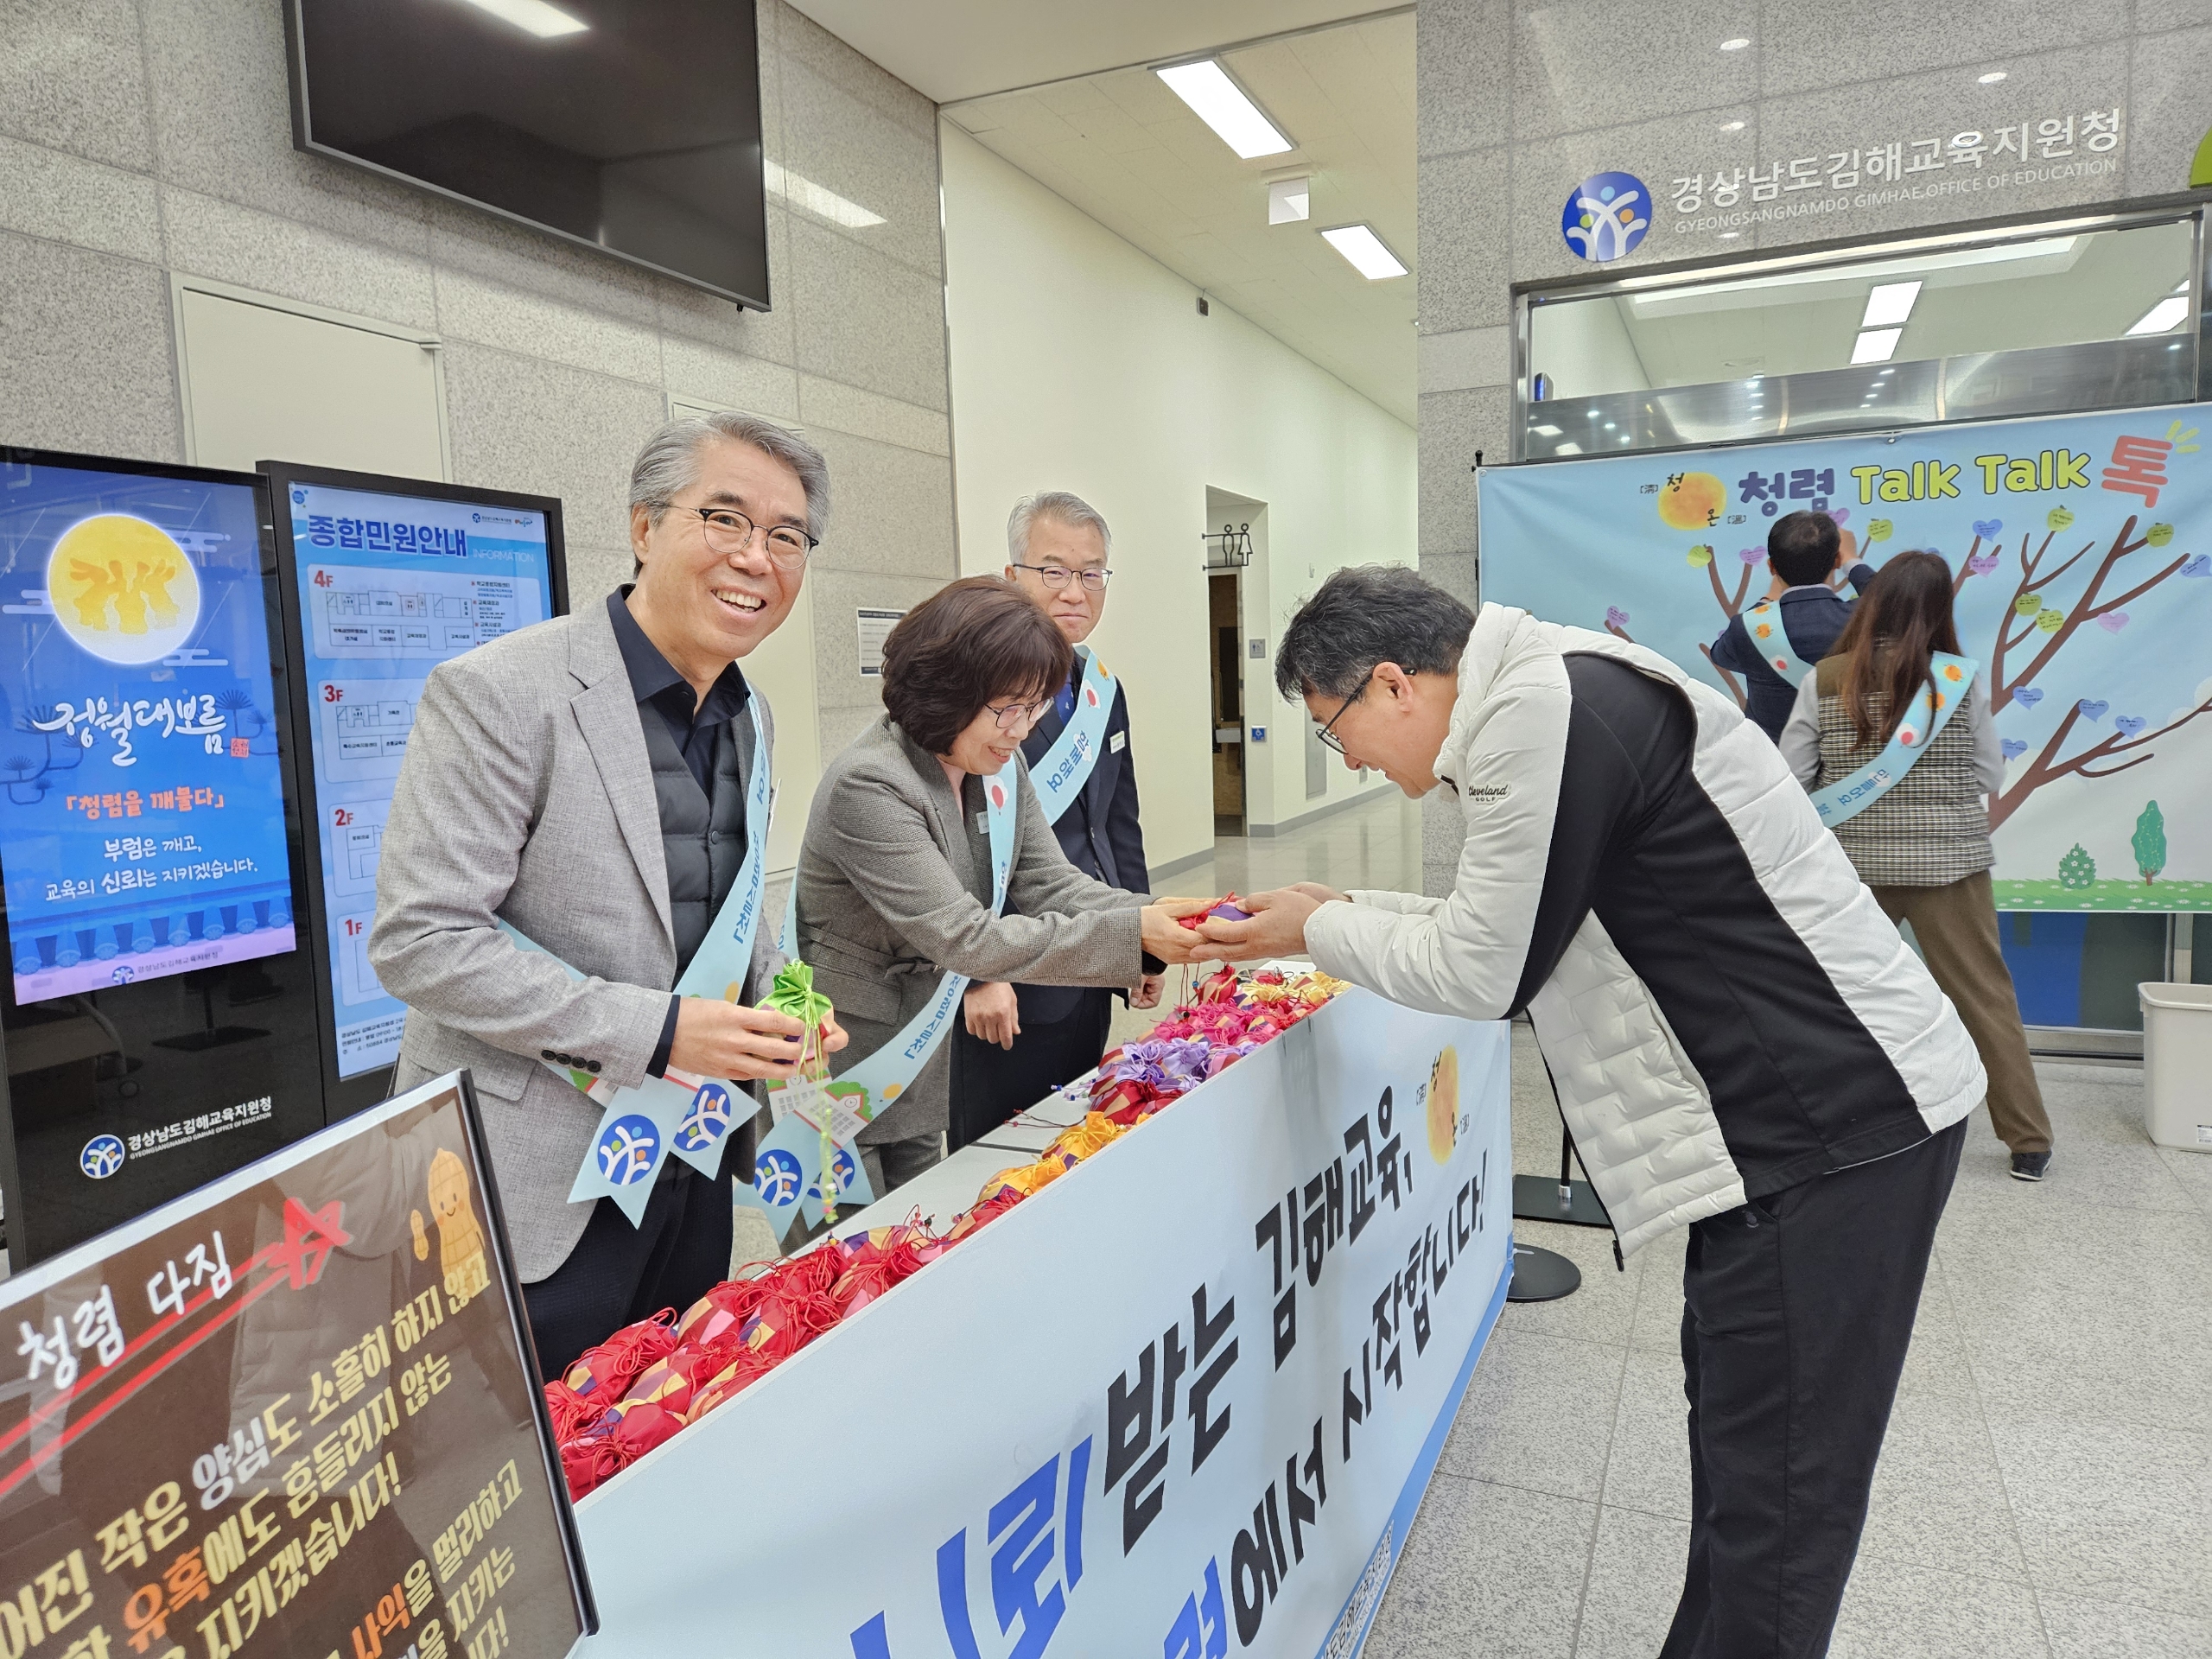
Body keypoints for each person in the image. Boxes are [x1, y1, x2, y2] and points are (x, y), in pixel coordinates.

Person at [1195, 565, 1985, 1659]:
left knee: (1780, 1505)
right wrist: (1335, 909)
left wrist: (1318, 933)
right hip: (1784, 1136)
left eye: (1337, 733)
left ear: (1390, 686)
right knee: (1744, 1461)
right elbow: (1518, 915)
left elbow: (1489, 968)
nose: (1357, 765)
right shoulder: (1547, 689)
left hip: (1830, 1129)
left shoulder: (1540, 709)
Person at [371, 412, 845, 1381]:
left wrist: (788, 1002)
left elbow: (734, 906)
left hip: (693, 1158)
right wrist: (661, 1033)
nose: (756, 558)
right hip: (533, 1172)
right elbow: (422, 940)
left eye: (787, 536)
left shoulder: (748, 711)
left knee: (665, 1406)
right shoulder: (501, 692)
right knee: (525, 1461)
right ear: (641, 528)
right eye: (724, 518)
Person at [793, 577, 1205, 1196]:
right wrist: (1131, 937)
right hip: (849, 1060)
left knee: (914, 1237)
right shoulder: (872, 784)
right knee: (844, 1261)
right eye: (1006, 708)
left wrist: (1161, 919)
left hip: (920, 1055)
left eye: (1034, 708)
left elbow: (1049, 881)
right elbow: (964, 936)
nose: (1021, 728)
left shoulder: (992, 762)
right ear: (945, 689)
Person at [1781, 550, 2055, 1181]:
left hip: (1853, 870)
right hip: (1950, 870)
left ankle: (1821, 1131)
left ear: (1872, 603)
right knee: (1985, 997)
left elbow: (1792, 779)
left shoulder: (1825, 678)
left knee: (1838, 999)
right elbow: (1989, 772)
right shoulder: (1957, 678)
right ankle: (2028, 1141)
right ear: (1938, 611)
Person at [952, 492, 1158, 1149]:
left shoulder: (1101, 689)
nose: (1075, 590)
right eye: (1054, 570)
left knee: (1073, 1142)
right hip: (1010, 977)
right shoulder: (969, 688)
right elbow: (950, 840)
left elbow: (1118, 826)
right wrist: (978, 974)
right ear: (1013, 579)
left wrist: (1143, 937)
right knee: (996, 1156)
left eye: (1091, 572)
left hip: (1092, 959)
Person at [1709, 509, 1873, 741]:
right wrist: (1851, 560)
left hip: (1775, 767)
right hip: (1848, 762)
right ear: (1836, 561)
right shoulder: (1861, 620)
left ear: (1771, 567)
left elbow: (1720, 656)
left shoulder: (1745, 629)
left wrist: (1768, 598)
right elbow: (1892, 602)